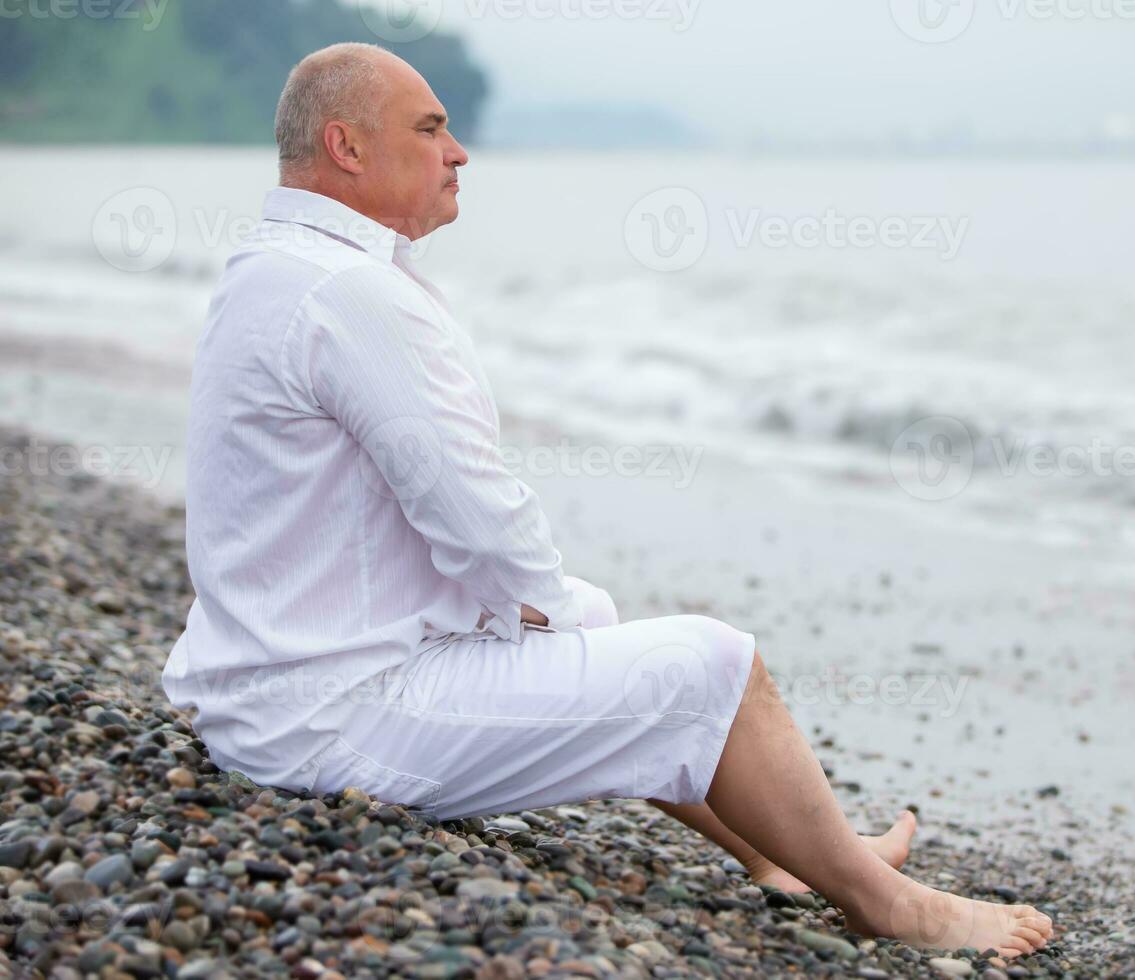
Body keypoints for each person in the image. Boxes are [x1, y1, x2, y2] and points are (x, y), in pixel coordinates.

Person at [161, 42, 1053, 957]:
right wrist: (547, 615)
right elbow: (479, 522)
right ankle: (887, 903)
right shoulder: (352, 292)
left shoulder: (273, 264)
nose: (458, 152)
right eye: (431, 130)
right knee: (716, 665)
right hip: (337, 720)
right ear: (347, 147)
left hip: (266, 695)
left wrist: (560, 615)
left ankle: (783, 855)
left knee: (598, 621)